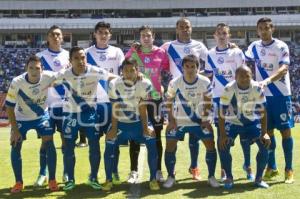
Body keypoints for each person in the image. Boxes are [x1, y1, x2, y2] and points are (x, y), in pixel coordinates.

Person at [55, 46, 117, 191]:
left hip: (90, 115)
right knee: (69, 148)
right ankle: (70, 179)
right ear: (70, 61)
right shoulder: (64, 74)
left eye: (82, 57)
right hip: (70, 115)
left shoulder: (94, 71)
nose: (80, 60)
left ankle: (93, 178)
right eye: (76, 58)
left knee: (94, 147)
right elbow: (45, 81)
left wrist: (134, 78)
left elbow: (112, 77)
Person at [245, 17, 294, 183]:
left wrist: (266, 81)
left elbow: (284, 69)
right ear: (257, 30)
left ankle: (289, 169)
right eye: (261, 28)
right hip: (263, 97)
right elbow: (244, 64)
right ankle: (272, 167)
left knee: (285, 131)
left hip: (280, 94)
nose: (264, 31)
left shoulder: (281, 46)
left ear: (272, 29)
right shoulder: (253, 47)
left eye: (267, 28)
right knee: (267, 132)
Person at [204, 23, 253, 181]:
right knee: (222, 133)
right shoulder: (209, 54)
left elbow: (243, 75)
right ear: (214, 36)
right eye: (219, 33)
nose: (222, 35)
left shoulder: (237, 52)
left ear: (229, 35)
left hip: (238, 97)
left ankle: (248, 165)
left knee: (244, 131)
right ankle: (224, 170)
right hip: (219, 98)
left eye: (224, 33)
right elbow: (209, 76)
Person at [161, 17, 208, 180]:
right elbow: (151, 53)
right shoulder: (168, 46)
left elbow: (211, 64)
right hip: (177, 93)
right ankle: (171, 172)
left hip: (195, 94)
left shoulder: (199, 46)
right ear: (176, 29)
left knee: (194, 135)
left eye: (187, 27)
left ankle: (194, 167)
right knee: (173, 135)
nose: (184, 29)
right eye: (181, 27)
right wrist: (136, 49)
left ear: (191, 28)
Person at [163, 55, 219, 188]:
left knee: (210, 146)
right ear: (182, 68)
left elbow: (208, 101)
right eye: (187, 67)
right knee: (170, 147)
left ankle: (211, 176)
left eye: (193, 67)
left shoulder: (204, 81)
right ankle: (171, 176)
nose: (190, 70)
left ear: (198, 68)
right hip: (179, 122)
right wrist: (171, 121)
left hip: (199, 122)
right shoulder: (175, 83)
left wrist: (205, 120)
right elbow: (168, 102)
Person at [103, 58, 159, 191]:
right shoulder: (114, 84)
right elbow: (115, 107)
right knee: (109, 143)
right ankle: (109, 179)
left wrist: (145, 128)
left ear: (137, 71)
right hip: (121, 124)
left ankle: (153, 179)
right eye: (125, 70)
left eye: (132, 70)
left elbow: (143, 107)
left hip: (138, 123)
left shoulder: (144, 83)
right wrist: (114, 128)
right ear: (121, 71)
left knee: (152, 143)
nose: (128, 73)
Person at [6, 55, 59, 193]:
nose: (34, 71)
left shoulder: (49, 76)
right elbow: (9, 107)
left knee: (49, 143)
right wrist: (15, 130)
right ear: (26, 68)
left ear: (42, 69)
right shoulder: (17, 82)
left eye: (37, 68)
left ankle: (52, 179)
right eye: (31, 68)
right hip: (21, 118)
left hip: (42, 116)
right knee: (16, 144)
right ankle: (18, 182)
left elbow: (66, 76)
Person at [125, 25, 169, 183]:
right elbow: (125, 66)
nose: (146, 38)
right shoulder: (135, 52)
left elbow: (165, 72)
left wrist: (163, 84)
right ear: (139, 37)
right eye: (143, 35)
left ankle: (158, 170)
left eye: (148, 35)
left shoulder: (161, 53)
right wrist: (132, 50)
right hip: (137, 99)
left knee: (157, 136)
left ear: (153, 36)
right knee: (135, 136)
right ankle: (133, 171)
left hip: (155, 99)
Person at [85, 21, 125, 184]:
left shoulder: (117, 52)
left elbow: (124, 74)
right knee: (93, 142)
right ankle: (93, 175)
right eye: (100, 32)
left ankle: (114, 172)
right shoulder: (86, 53)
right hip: (92, 104)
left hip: (111, 103)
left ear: (110, 35)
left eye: (106, 32)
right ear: (94, 34)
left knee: (113, 141)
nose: (103, 34)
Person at [218, 65, 271, 188]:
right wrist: (223, 135)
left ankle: (258, 179)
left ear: (251, 76)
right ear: (235, 77)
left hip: (251, 122)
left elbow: (263, 111)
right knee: (223, 145)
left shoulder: (257, 88)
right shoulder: (228, 89)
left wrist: (264, 132)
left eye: (247, 76)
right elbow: (221, 113)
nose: (244, 78)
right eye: (241, 76)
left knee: (265, 145)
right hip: (232, 123)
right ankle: (229, 178)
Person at [35, 25, 69, 185]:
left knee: (66, 140)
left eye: (58, 35)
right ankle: (43, 173)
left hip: (65, 105)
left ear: (62, 38)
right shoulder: (39, 56)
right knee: (45, 140)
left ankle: (66, 173)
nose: (56, 37)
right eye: (52, 35)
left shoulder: (69, 56)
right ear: (47, 38)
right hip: (46, 106)